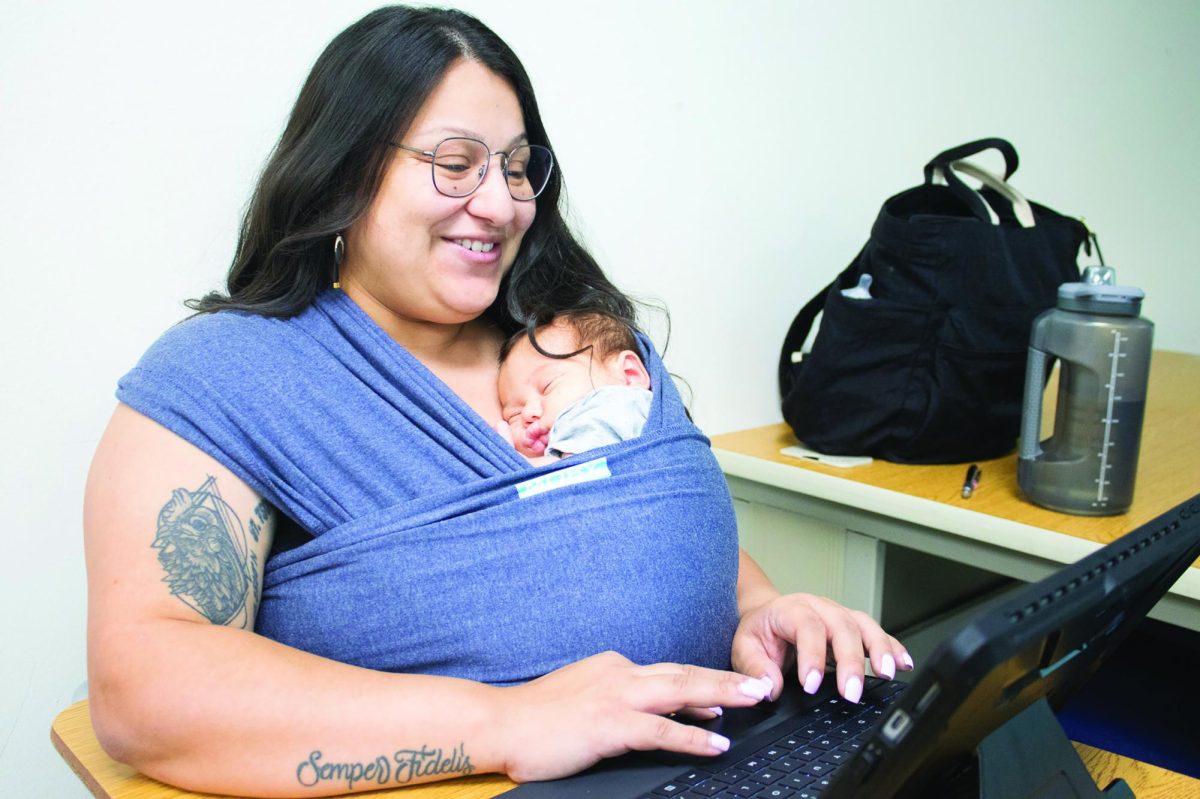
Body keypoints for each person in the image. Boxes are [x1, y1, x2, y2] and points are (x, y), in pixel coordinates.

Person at [83, 6, 912, 797]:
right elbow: (146, 685)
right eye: (456, 163)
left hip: (724, 758)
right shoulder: (230, 375)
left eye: (517, 166)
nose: (501, 203)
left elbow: (640, 522)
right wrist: (506, 721)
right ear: (344, 167)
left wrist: (762, 608)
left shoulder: (570, 338)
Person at [496, 312, 653, 462]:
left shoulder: (612, 404)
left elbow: (583, 471)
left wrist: (521, 467)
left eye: (547, 386)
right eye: (513, 415)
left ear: (629, 374)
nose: (528, 413)